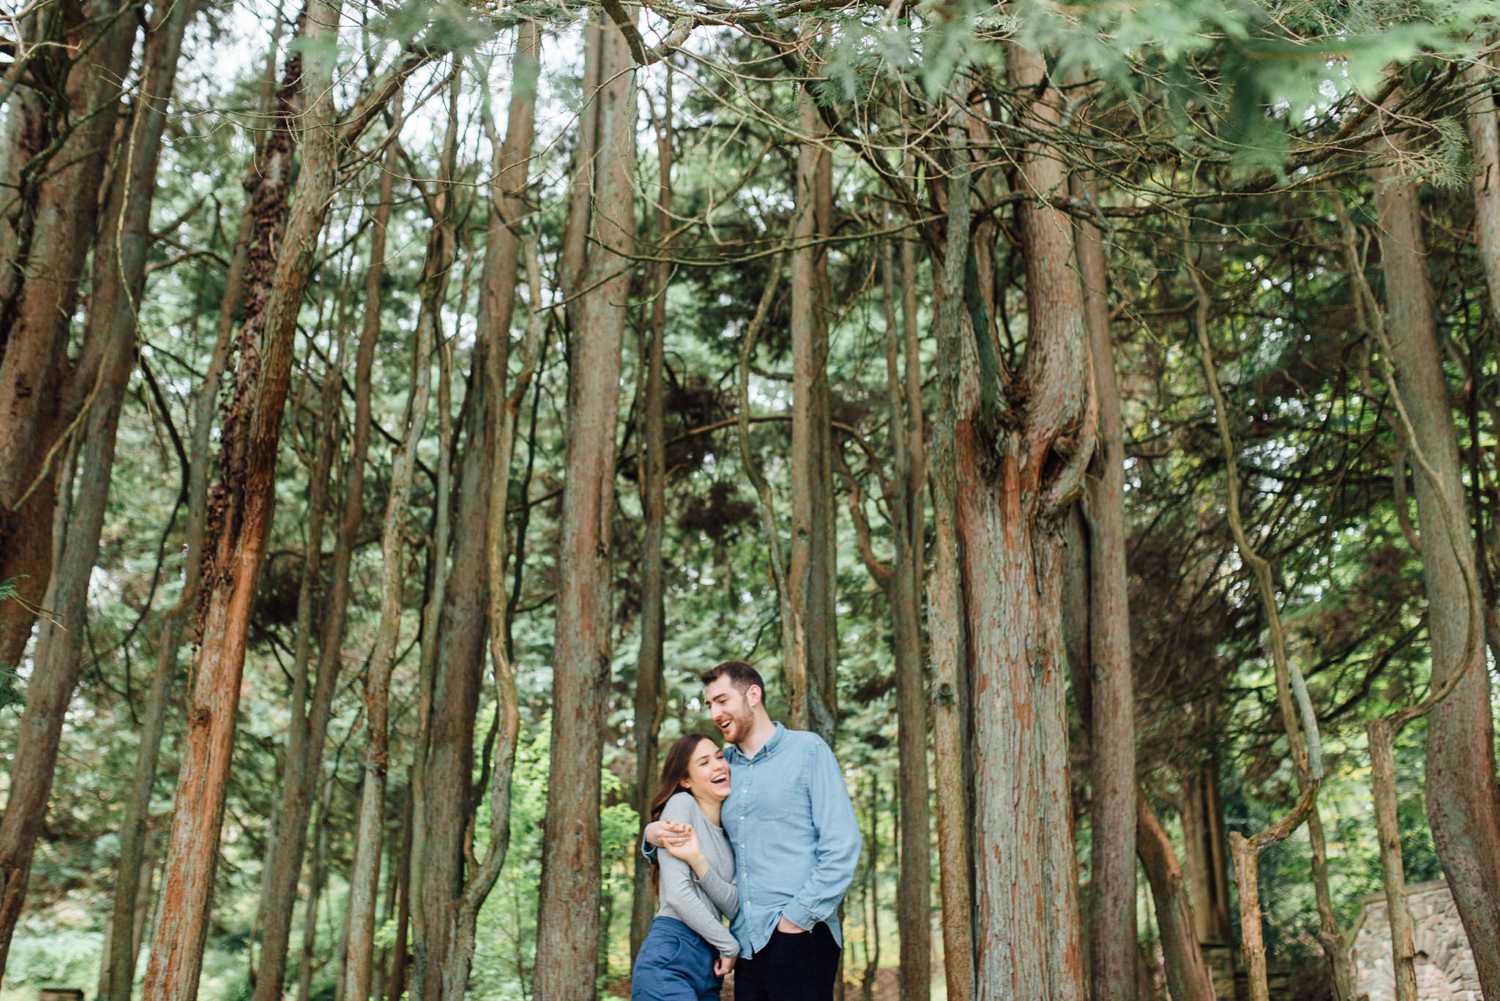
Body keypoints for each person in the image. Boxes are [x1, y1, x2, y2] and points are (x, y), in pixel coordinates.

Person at [643, 661, 861, 1001]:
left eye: (722, 700)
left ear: (753, 695)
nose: (715, 713)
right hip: (747, 941)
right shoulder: (724, 767)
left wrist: (796, 919)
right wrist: (651, 834)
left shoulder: (807, 750)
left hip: (799, 930)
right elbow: (686, 811)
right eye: (710, 705)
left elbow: (842, 845)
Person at [632, 732, 739, 1001]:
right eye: (704, 762)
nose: (718, 765)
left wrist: (698, 861)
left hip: (707, 967)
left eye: (718, 756)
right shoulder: (682, 805)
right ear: (686, 780)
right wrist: (728, 945)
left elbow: (733, 905)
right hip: (671, 955)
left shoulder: (731, 834)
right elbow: (677, 895)